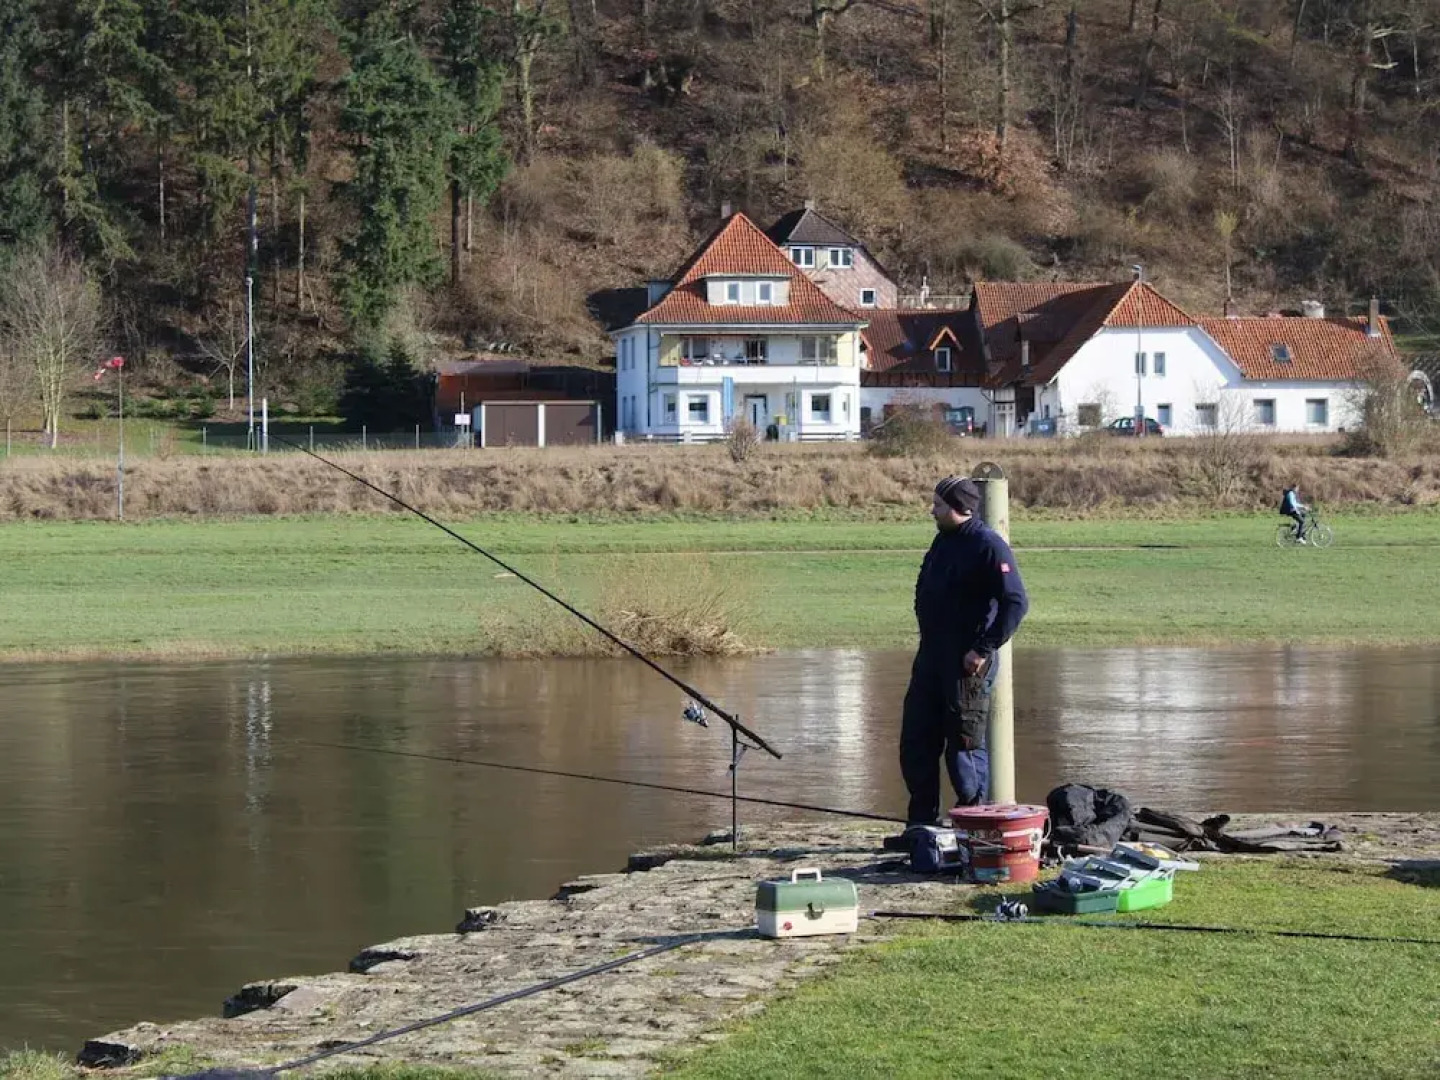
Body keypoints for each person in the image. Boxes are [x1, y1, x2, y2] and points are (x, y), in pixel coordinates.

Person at [886, 475, 1029, 849]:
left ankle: (974, 830)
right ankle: (920, 828)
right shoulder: (942, 540)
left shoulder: (988, 545)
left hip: (967, 665)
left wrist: (982, 649)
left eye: (938, 505)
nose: (931, 510)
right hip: (931, 658)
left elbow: (1016, 603)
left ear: (960, 508)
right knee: (916, 741)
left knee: (964, 748)